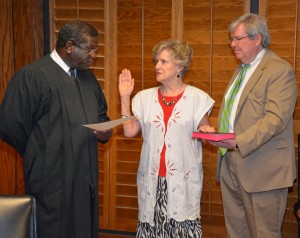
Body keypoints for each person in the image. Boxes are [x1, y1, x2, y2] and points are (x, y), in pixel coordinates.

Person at [0, 20, 113, 238]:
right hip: (50, 177)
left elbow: (101, 114)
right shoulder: (33, 76)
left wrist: (104, 133)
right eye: (90, 49)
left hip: (84, 175)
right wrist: (40, 151)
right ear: (70, 46)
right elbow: (10, 125)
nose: (94, 56)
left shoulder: (88, 78)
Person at [202, 13, 298, 237]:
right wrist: (217, 134)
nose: (232, 44)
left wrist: (237, 140)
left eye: (238, 39)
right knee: (236, 232)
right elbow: (237, 113)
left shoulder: (279, 70)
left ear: (257, 39)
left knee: (263, 233)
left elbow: (275, 119)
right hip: (230, 164)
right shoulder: (241, 70)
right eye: (231, 39)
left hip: (263, 170)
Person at [118, 39, 215, 237]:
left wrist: (208, 133)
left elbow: (204, 134)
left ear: (179, 66)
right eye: (156, 61)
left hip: (182, 182)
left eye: (163, 62)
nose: (157, 66)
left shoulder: (198, 98)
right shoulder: (144, 98)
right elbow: (129, 132)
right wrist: (125, 97)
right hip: (152, 181)